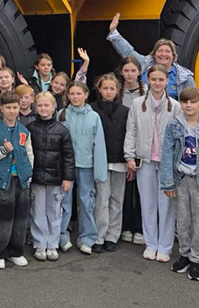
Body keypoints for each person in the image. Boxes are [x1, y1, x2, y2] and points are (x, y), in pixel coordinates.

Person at [160, 87, 199, 282]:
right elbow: (167, 155)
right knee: (183, 220)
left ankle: (197, 259)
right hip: (181, 179)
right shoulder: (174, 126)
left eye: (193, 102)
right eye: (185, 102)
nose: (189, 105)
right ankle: (185, 255)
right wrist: (168, 184)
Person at [125, 64, 180, 262]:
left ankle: (164, 246)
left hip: (167, 162)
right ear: (148, 79)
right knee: (147, 203)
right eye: (154, 79)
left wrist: (177, 161)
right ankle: (151, 243)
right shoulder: (138, 103)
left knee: (166, 205)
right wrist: (129, 156)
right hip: (145, 160)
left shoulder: (175, 106)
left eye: (161, 80)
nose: (157, 83)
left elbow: (180, 137)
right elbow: (131, 131)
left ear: (167, 81)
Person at [0, 92, 35, 269]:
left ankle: (16, 252)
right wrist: (2, 151)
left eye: (15, 107)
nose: (12, 111)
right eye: (8, 107)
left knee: (20, 217)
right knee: (1, 217)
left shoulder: (24, 131)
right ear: (2, 109)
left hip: (21, 180)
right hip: (3, 181)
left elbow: (29, 154)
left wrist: (29, 173)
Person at [58, 81, 107, 254]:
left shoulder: (93, 117)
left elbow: (99, 145)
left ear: (86, 95)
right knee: (64, 200)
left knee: (86, 202)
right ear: (68, 96)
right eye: (72, 94)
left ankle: (87, 237)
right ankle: (61, 235)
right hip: (66, 166)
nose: (75, 97)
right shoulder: (62, 115)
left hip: (86, 165)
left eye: (79, 93)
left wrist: (100, 174)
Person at [28, 92, 74, 262]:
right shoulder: (31, 128)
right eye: (40, 105)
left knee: (54, 212)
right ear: (35, 107)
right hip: (37, 179)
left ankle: (52, 244)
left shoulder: (62, 130)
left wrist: (68, 178)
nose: (43, 108)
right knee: (37, 211)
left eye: (47, 105)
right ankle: (40, 244)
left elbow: (68, 156)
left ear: (53, 107)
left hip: (56, 179)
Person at [107, 13, 194, 99]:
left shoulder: (185, 77)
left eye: (167, 51)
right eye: (160, 51)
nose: (163, 54)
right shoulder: (144, 64)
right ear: (154, 54)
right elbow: (128, 52)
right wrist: (114, 33)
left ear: (173, 56)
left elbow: (193, 99)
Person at [91, 73, 131, 252]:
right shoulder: (92, 110)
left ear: (117, 90)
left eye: (112, 89)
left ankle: (112, 235)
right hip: (101, 162)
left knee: (117, 199)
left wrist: (130, 160)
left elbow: (130, 136)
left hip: (120, 161)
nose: (108, 92)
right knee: (101, 200)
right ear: (99, 89)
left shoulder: (125, 111)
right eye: (105, 88)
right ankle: (99, 235)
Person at [117, 56, 145, 245]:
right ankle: (126, 225)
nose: (129, 74)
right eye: (126, 70)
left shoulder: (146, 93)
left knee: (142, 190)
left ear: (139, 72)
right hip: (122, 143)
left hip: (141, 145)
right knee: (126, 188)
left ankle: (140, 227)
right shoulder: (117, 92)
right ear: (121, 72)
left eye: (133, 71)